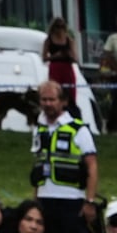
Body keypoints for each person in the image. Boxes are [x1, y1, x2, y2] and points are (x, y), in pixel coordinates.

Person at [28, 79, 98, 209]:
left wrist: (90, 201)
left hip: (72, 198)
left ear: (63, 102)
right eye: (44, 100)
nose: (48, 104)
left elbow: (92, 166)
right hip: (44, 198)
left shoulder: (78, 129)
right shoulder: (39, 129)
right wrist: (35, 198)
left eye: (52, 100)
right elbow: (39, 164)